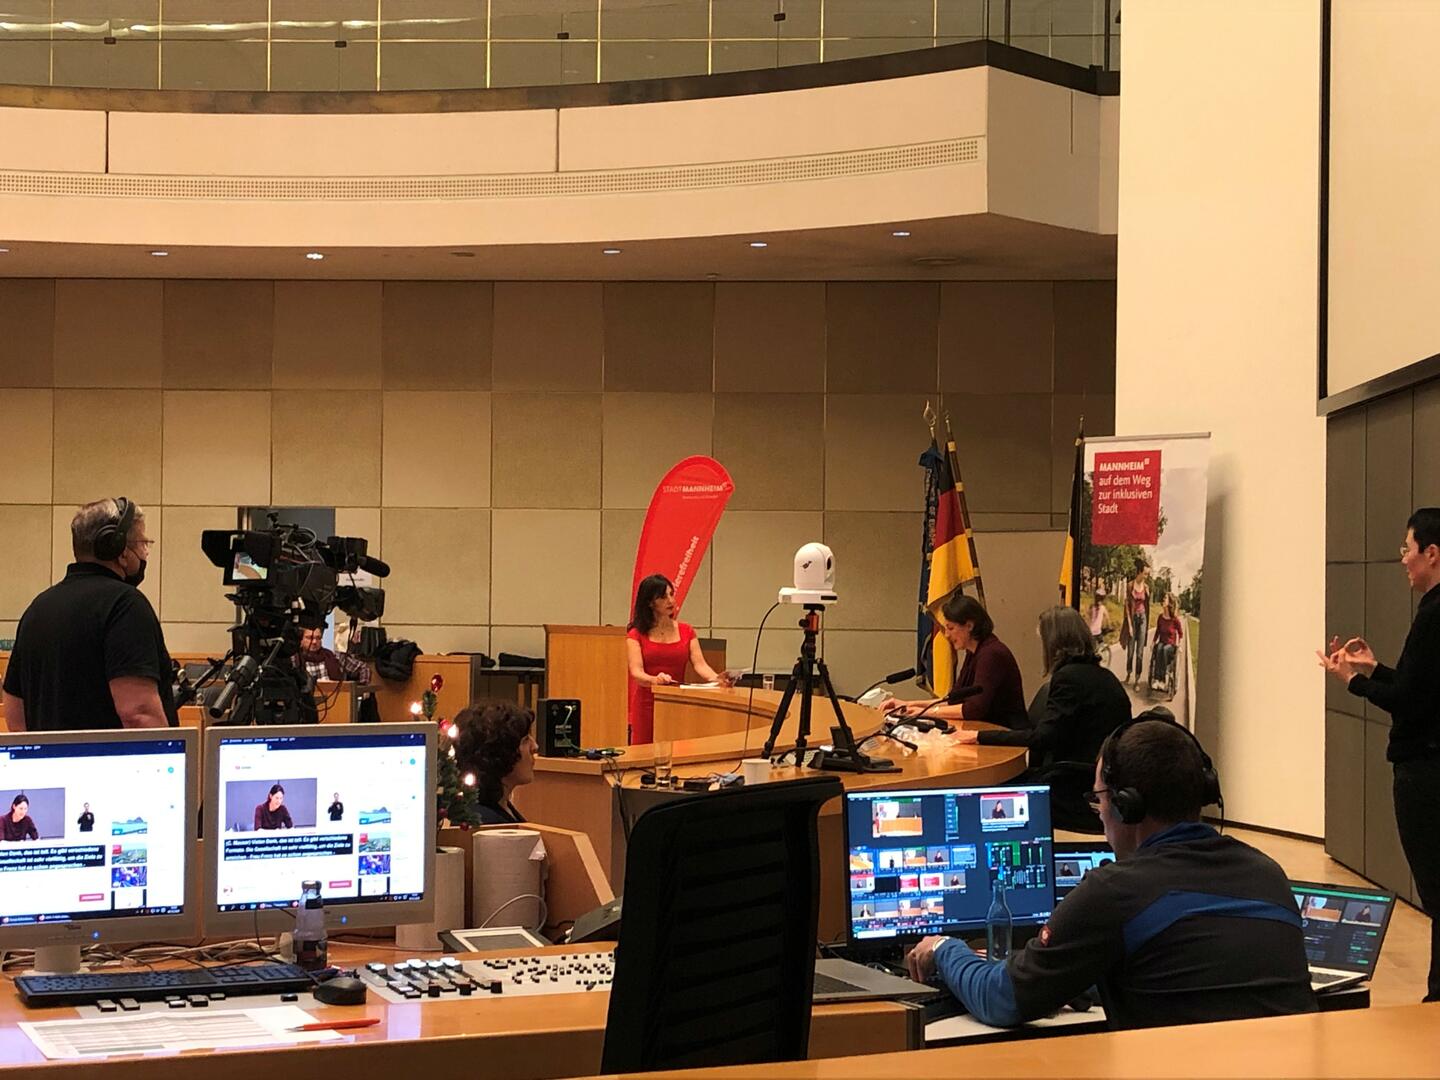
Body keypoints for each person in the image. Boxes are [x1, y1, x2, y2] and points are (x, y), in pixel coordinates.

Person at [905, 719, 1316, 1029]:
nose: (1099, 813)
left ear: (1126, 806)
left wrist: (944, 948)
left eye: (1099, 798)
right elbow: (1198, 975)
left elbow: (1001, 999)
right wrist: (1078, 976)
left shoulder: (1114, 891)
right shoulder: (1269, 875)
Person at [1319, 506, 1440, 1002]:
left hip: (1425, 776)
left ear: (1432, 554)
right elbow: (1423, 690)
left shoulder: (1433, 615)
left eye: (1407, 550)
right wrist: (1376, 669)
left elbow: (1408, 702)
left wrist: (1352, 680)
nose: (1403, 560)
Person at [3, 498, 176, 731]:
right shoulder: (126, 605)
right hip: (113, 756)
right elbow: (138, 713)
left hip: (48, 755)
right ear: (119, 548)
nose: (145, 552)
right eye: (142, 542)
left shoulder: (38, 608)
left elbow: (14, 713)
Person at [952, 607, 1132, 831]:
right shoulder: (1102, 676)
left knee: (990, 789)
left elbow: (1042, 738)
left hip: (1073, 784)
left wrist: (979, 736)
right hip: (1097, 778)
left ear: (1054, 642)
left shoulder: (1069, 678)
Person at [884, 595, 1027, 729]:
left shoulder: (991, 654)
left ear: (969, 625)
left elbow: (974, 709)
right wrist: (908, 705)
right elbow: (953, 700)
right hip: (985, 731)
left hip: (1006, 735)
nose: (946, 635)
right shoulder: (974, 652)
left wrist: (923, 713)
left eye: (951, 628)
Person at [625, 574, 730, 744]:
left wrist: (717, 679)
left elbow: (700, 665)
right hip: (647, 704)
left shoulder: (687, 630)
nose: (671, 601)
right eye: (663, 597)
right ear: (650, 603)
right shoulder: (636, 634)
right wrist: (655, 680)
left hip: (677, 702)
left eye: (671, 594)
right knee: (643, 752)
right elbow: (636, 672)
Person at [454, 700, 540, 825]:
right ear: (501, 752)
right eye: (526, 740)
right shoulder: (481, 821)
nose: (535, 746)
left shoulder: (498, 807)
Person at [294, 625, 371, 685]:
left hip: (335, 699)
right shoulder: (295, 659)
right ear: (301, 640)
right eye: (310, 638)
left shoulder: (334, 656)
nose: (314, 642)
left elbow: (363, 667)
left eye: (318, 638)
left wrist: (362, 687)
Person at [1120, 566, 1151, 686]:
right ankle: (1129, 673)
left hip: (1142, 618)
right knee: (1131, 651)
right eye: (1145, 574)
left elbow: (1147, 606)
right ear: (1139, 572)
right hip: (1132, 619)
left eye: (1148, 574)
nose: (1147, 576)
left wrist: (1148, 595)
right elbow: (1127, 606)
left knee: (1140, 652)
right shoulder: (1130, 585)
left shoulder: (1146, 587)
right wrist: (1129, 625)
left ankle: (1137, 679)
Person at [1151, 599, 1184, 694]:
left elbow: (1180, 633)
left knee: (1165, 649)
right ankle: (1157, 679)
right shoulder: (1160, 617)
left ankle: (1163, 679)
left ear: (1169, 603)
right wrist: (1153, 642)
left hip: (1171, 645)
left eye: (1165, 598)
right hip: (1162, 642)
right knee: (1159, 648)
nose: (1163, 600)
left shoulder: (1175, 619)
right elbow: (1157, 631)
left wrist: (1179, 645)